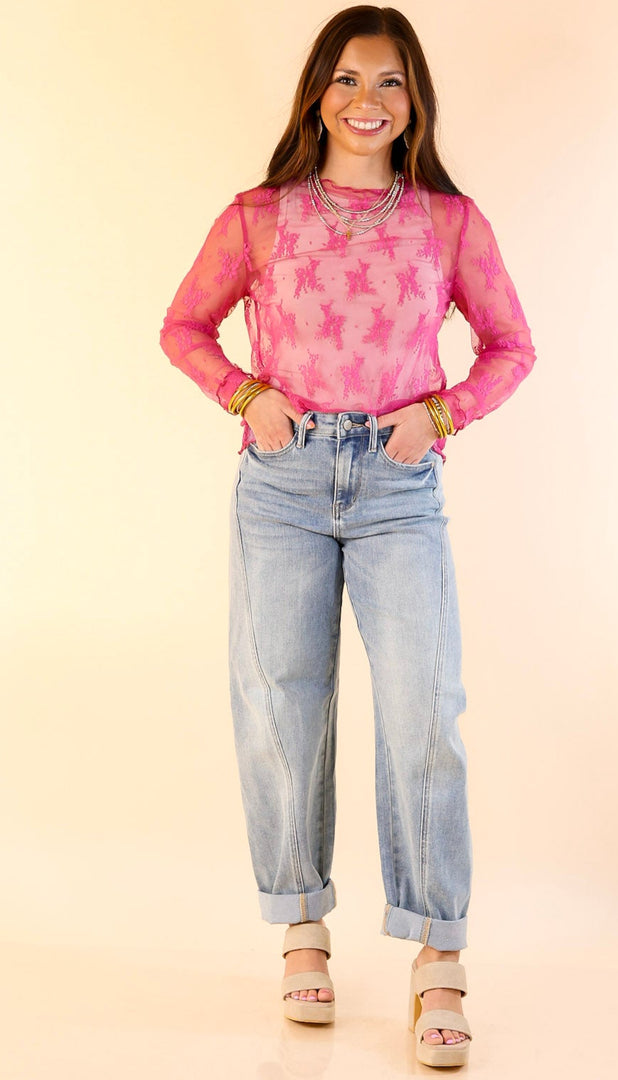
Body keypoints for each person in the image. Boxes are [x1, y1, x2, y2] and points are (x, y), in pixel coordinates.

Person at [159, 4, 535, 1068]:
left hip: (399, 486)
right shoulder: (258, 217)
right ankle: (302, 930)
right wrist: (248, 396)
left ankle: (438, 955)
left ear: (416, 100)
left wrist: (443, 414)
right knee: (282, 707)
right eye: (348, 79)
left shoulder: (450, 223)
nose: (368, 101)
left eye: (390, 82)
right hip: (282, 484)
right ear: (317, 93)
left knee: (426, 710)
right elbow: (184, 327)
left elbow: (512, 346)